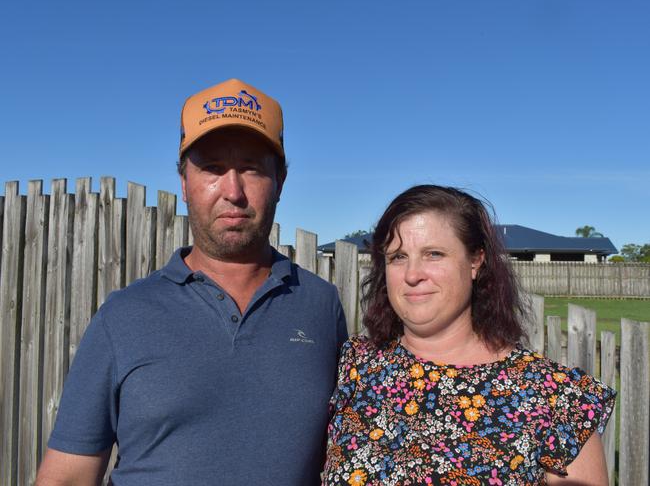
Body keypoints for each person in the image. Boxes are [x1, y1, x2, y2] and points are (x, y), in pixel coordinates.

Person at [36, 78, 348, 486]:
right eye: (213, 169)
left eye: (252, 168)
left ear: (280, 182)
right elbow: (68, 477)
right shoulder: (123, 317)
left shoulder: (321, 305)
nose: (233, 191)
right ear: (184, 183)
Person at [323, 185, 615, 485]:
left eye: (433, 254)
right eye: (398, 257)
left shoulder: (557, 398)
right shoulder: (354, 366)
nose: (412, 274)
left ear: (475, 260)